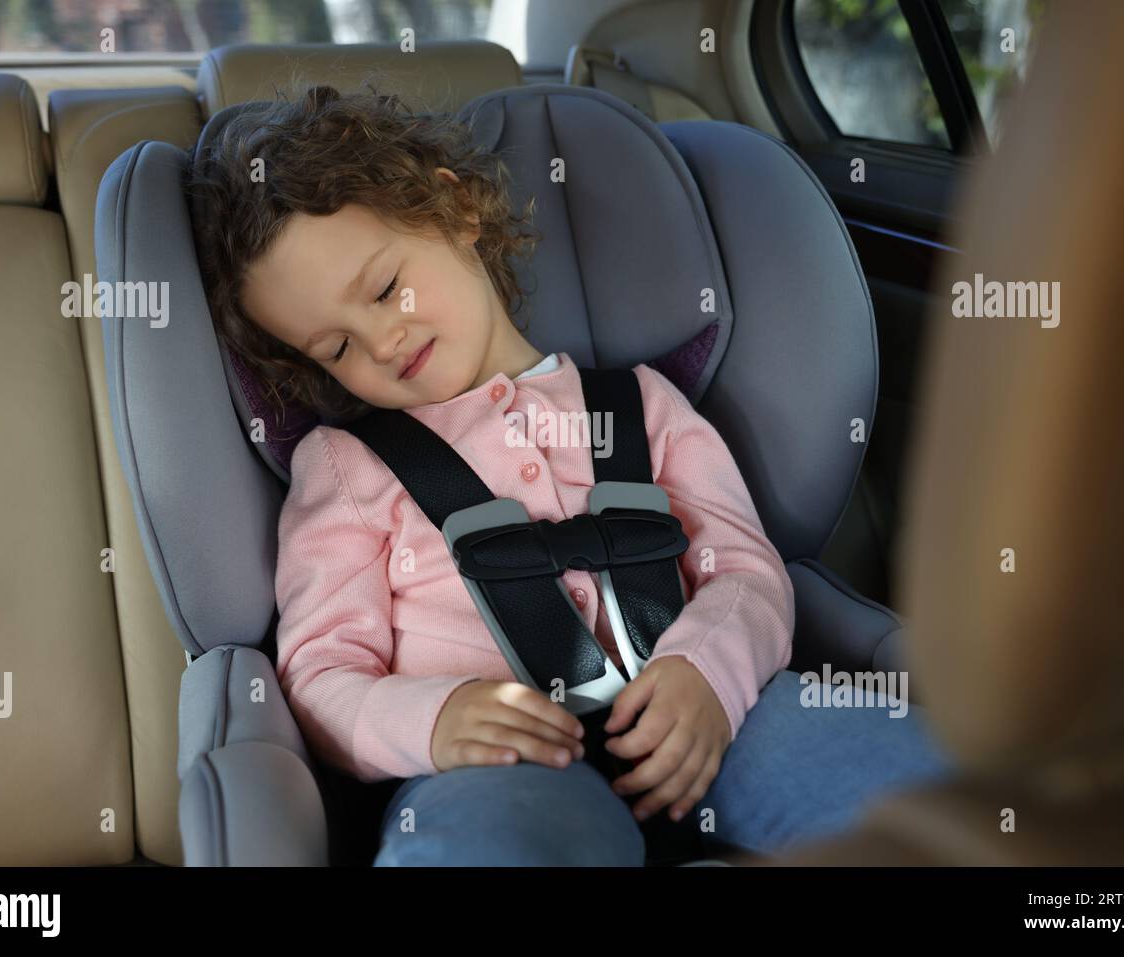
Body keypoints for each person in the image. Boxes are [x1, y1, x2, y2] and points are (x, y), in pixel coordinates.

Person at [187, 82, 952, 865]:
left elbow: (747, 572)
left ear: (456, 212)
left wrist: (706, 671)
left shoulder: (644, 406)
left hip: (718, 712)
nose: (381, 342)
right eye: (337, 348)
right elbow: (319, 673)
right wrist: (434, 718)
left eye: (385, 290)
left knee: (937, 794)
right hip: (499, 766)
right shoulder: (347, 469)